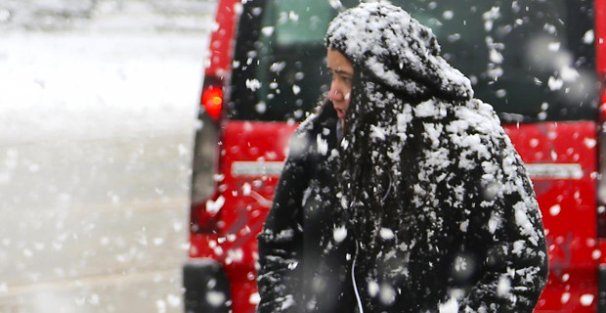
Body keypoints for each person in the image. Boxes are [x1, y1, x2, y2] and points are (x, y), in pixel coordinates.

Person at [258, 2, 548, 313]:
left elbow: (519, 266)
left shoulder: (472, 147)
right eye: (332, 75)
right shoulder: (319, 139)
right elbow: (280, 245)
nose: (333, 92)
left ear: (387, 82)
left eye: (346, 78)